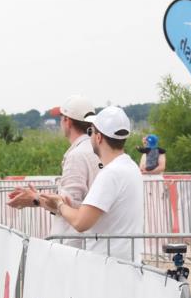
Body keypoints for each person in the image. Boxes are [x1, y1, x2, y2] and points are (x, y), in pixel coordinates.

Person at [39, 106, 144, 259]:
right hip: (128, 259)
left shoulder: (110, 174)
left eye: (91, 133)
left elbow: (81, 222)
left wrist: (59, 205)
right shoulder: (131, 167)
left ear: (99, 137)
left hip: (107, 264)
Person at [8, 95, 100, 246]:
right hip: (89, 241)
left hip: (73, 244)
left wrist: (36, 199)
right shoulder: (96, 149)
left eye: (61, 118)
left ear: (67, 121)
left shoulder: (77, 155)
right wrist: (37, 197)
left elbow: (68, 204)